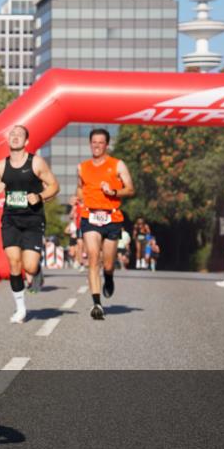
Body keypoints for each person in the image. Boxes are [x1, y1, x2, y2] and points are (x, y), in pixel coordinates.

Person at [0, 125, 60, 323]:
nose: (15, 137)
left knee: (29, 265)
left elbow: (54, 185)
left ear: (27, 141)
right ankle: (20, 308)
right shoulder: (1, 166)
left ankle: (36, 271)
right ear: (8, 140)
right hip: (10, 219)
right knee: (14, 263)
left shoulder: (36, 162)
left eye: (20, 135)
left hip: (33, 220)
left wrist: (40, 196)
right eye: (12, 134)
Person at [77, 128, 135, 319]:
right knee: (93, 258)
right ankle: (96, 304)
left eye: (100, 142)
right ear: (90, 144)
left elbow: (130, 189)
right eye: (94, 142)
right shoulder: (82, 167)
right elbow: (80, 189)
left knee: (108, 263)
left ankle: (109, 277)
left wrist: (114, 192)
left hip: (112, 218)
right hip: (90, 217)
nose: (97, 145)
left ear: (106, 145)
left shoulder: (117, 165)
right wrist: (77, 199)